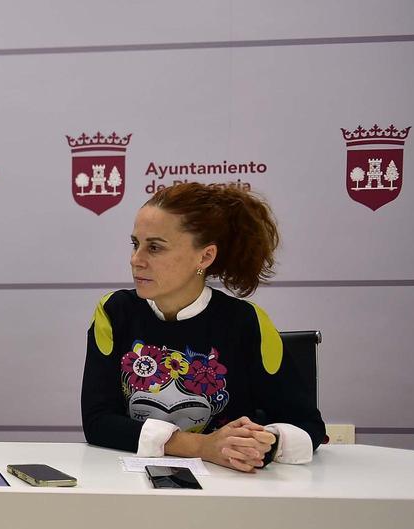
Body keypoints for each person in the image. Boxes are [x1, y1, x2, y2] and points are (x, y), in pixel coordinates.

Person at [81, 182, 325, 471]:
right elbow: (98, 422)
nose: (136, 260)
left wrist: (261, 442)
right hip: (129, 486)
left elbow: (308, 425)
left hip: (229, 489)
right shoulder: (114, 311)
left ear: (205, 257)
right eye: (136, 244)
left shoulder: (247, 321)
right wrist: (202, 447)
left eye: (155, 247)